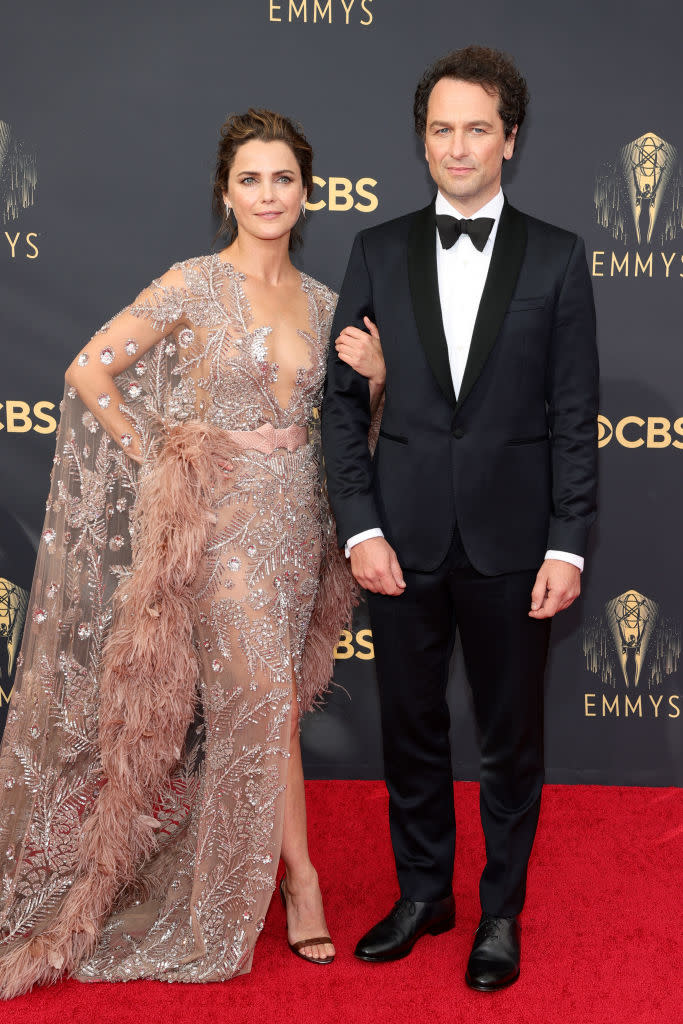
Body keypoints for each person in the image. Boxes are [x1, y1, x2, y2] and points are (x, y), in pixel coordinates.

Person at [0, 108, 385, 996]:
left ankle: (292, 876)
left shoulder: (328, 303)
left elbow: (348, 430)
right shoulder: (191, 283)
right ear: (226, 192)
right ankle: (299, 883)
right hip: (219, 529)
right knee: (259, 694)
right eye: (249, 179)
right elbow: (89, 368)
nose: (266, 194)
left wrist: (376, 379)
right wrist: (162, 456)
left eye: (282, 178)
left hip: (301, 525)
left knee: (277, 702)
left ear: (306, 192)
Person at [323, 46, 599, 991]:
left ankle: (499, 913)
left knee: (511, 735)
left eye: (476, 127)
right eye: (440, 128)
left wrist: (567, 542)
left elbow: (572, 415)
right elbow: (334, 403)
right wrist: (358, 527)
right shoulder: (377, 247)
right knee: (408, 727)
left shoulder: (558, 256)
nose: (456, 145)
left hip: (514, 546)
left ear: (509, 140)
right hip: (397, 538)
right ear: (422, 139)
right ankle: (423, 893)